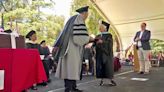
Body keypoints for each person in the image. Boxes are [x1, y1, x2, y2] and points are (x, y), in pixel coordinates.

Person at [54, 6, 90, 92]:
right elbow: (79, 38)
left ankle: (72, 88)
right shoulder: (79, 18)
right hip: (72, 49)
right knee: (71, 69)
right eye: (87, 14)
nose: (87, 16)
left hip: (67, 47)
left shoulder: (72, 19)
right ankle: (69, 89)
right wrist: (89, 39)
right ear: (84, 13)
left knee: (69, 69)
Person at [95, 20, 116, 86]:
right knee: (101, 67)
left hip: (106, 54)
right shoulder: (98, 35)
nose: (99, 28)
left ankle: (110, 80)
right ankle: (102, 80)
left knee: (107, 67)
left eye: (101, 27)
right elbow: (95, 43)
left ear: (105, 28)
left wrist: (102, 42)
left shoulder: (109, 35)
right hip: (99, 54)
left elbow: (109, 44)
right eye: (99, 27)